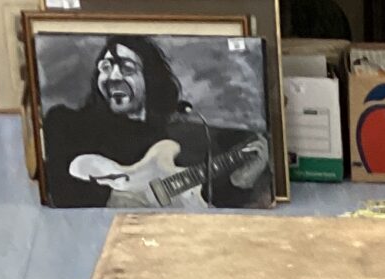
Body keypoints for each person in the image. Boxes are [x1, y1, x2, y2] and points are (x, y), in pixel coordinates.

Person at [41, 37, 270, 209]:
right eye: (106, 67)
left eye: (127, 68)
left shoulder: (174, 137)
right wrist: (115, 198)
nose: (113, 76)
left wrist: (241, 181)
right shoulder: (68, 123)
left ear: (150, 79)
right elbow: (57, 186)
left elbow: (204, 202)